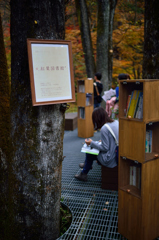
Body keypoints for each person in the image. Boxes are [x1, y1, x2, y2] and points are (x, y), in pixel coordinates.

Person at [75, 107, 119, 182]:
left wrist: (91, 143)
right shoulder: (115, 122)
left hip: (110, 158)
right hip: (116, 152)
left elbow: (105, 148)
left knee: (89, 153)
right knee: (92, 149)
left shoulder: (104, 128)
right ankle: (87, 165)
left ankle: (84, 173)